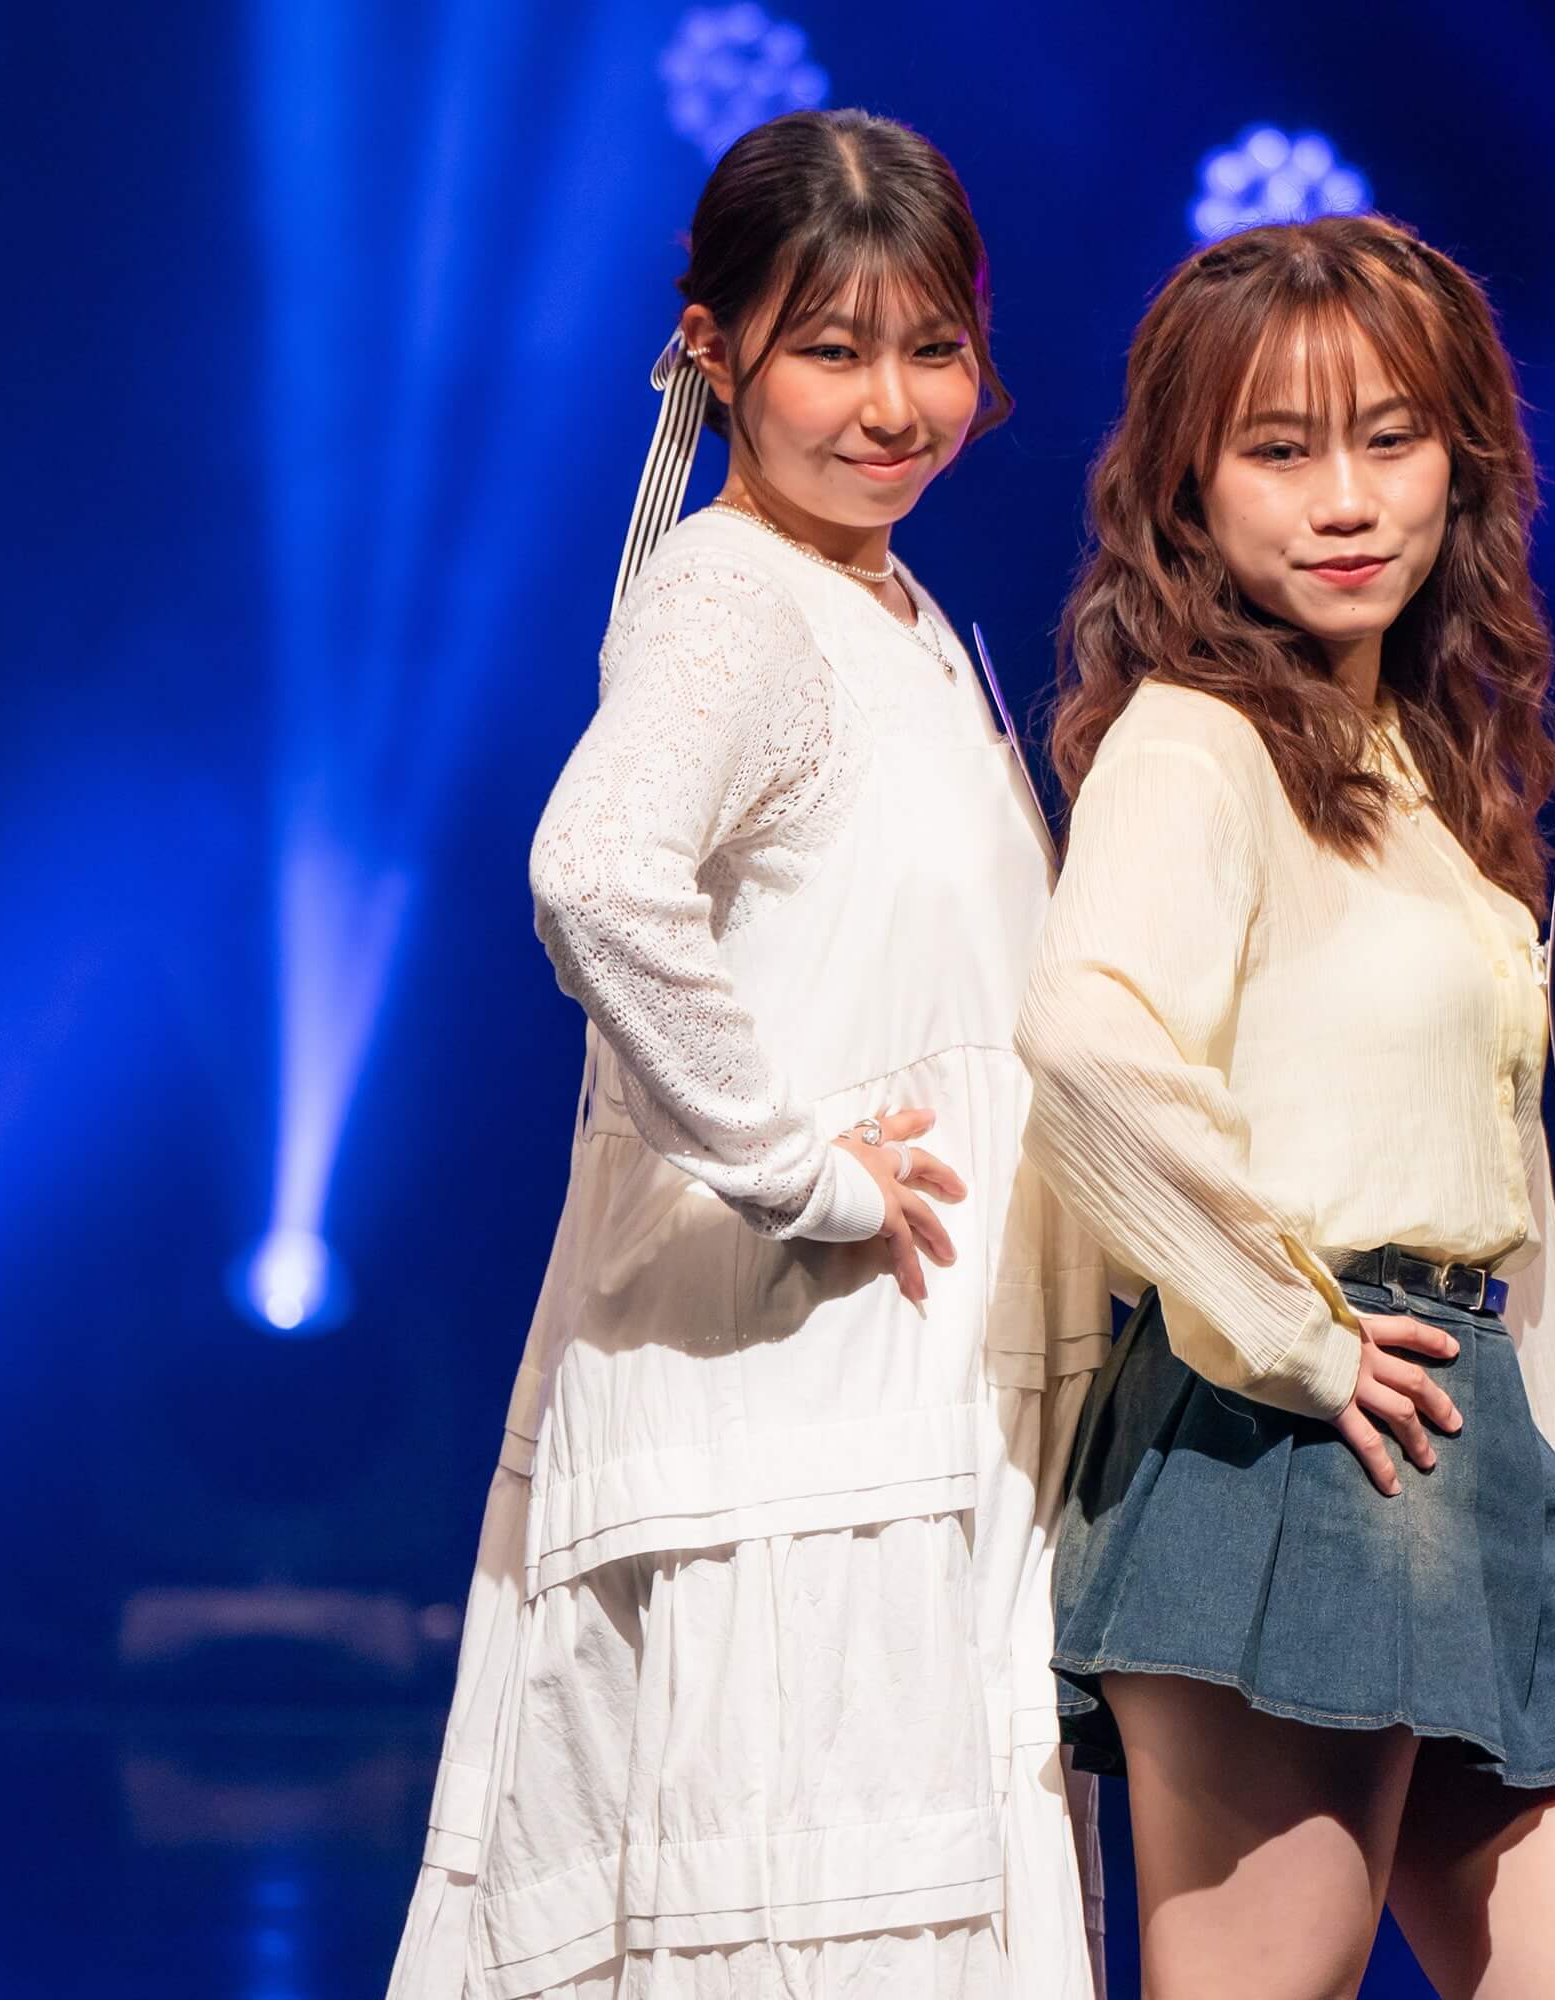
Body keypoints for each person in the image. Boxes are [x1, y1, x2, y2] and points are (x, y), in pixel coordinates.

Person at [390, 108, 1106, 2000]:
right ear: (713, 351)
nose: (894, 405)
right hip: (792, 1384)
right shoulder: (733, 597)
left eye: (933, 348)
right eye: (832, 348)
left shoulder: (892, 607)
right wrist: (799, 1164)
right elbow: (596, 872)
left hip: (904, 1395)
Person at [1014, 213, 1555, 1999]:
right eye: (1280, 449)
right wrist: (1293, 1334)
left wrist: (1548, 1475)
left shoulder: (1430, 772)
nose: (1346, 501)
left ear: (1461, 461)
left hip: (1465, 1441)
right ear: (1188, 487)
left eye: (1391, 440)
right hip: (1286, 1434)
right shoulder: (1195, 740)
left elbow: (1502, 1182)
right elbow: (1082, 1046)